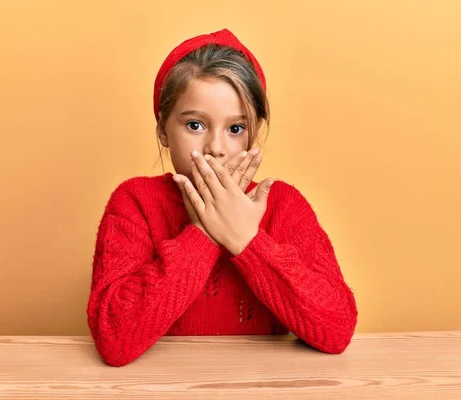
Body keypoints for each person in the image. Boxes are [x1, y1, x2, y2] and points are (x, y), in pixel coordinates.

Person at [87, 28, 358, 367]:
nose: (216, 148)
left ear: (252, 134)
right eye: (195, 125)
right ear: (162, 129)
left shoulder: (283, 204)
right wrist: (203, 232)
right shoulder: (134, 203)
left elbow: (336, 329)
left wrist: (246, 239)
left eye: (235, 129)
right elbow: (114, 339)